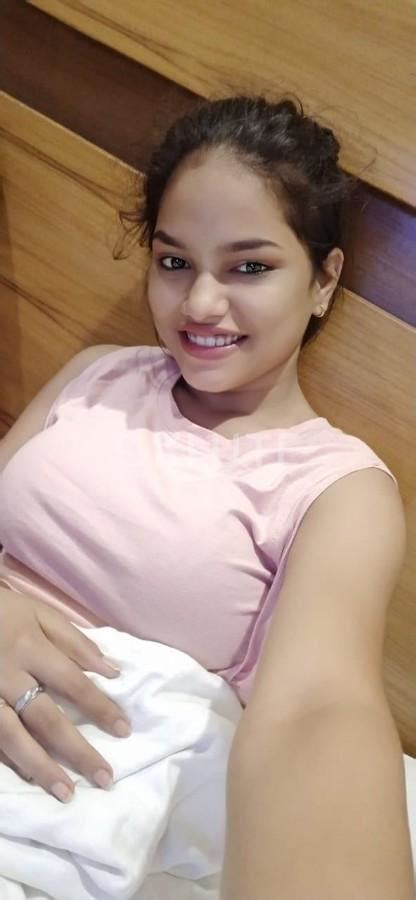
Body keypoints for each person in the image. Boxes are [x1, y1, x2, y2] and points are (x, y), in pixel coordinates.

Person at [0, 96, 413, 897]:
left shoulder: (337, 487)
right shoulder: (98, 374)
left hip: (72, 780)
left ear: (324, 278)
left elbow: (319, 709)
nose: (198, 305)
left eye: (249, 267)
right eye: (174, 261)